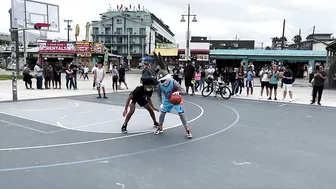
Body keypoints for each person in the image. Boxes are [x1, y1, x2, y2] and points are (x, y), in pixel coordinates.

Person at [155, 72, 192, 139]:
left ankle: (187, 129)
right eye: (161, 80)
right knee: (162, 113)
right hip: (167, 100)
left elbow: (184, 91)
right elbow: (159, 95)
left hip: (176, 100)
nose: (162, 82)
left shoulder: (173, 82)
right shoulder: (159, 85)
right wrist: (160, 104)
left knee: (181, 114)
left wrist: (178, 92)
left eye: (163, 80)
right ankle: (160, 127)